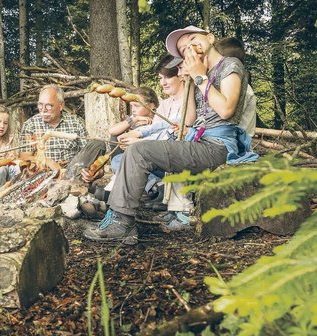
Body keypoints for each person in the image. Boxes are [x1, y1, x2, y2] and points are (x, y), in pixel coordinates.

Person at [84, 25, 257, 245]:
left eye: (193, 39)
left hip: (219, 147)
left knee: (139, 150)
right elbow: (190, 119)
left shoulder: (231, 65)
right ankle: (119, 216)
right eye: (183, 49)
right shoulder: (201, 75)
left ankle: (121, 222)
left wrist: (199, 77)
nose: (189, 48)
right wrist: (190, 83)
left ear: (210, 38)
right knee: (134, 152)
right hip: (201, 142)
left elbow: (226, 110)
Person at [19, 84, 107, 182]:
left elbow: (91, 158)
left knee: (98, 144)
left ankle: (69, 180)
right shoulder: (30, 125)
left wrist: (95, 173)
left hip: (73, 172)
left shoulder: (76, 122)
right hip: (45, 176)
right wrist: (49, 162)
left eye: (49, 105)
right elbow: (24, 157)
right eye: (40, 104)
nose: (43, 110)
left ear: (61, 106)